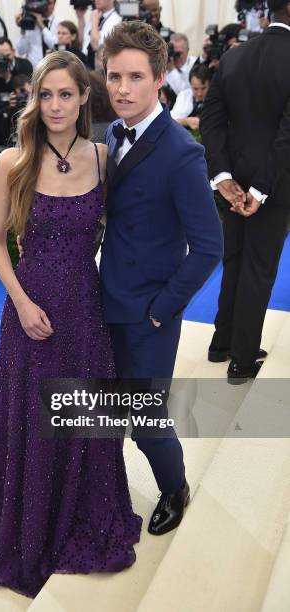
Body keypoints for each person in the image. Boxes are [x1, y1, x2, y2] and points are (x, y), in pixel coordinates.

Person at [0, 50, 141, 597]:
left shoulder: (103, 158)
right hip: (28, 308)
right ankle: (25, 528)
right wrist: (23, 302)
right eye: (45, 94)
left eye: (66, 94)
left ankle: (79, 514)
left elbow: (124, 228)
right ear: (35, 99)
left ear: (83, 99)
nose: (55, 105)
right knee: (28, 417)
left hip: (84, 307)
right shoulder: (14, 158)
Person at [101, 21, 223, 534]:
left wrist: (162, 308)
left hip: (149, 314)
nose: (122, 89)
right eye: (113, 77)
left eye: (134, 77)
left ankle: (175, 487)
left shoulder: (181, 152)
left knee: (147, 422)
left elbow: (210, 246)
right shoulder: (110, 133)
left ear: (159, 80)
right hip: (105, 299)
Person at [200, 0, 290, 383]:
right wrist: (262, 189)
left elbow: (210, 118)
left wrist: (222, 176)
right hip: (276, 180)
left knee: (235, 260)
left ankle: (222, 343)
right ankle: (242, 356)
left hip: (233, 178)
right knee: (258, 267)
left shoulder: (234, 56)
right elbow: (287, 136)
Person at [15, 0, 61, 68]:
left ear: (54, 4)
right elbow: (21, 51)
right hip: (33, 70)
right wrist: (23, 28)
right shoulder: (29, 21)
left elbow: (55, 46)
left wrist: (42, 26)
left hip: (53, 68)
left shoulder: (60, 22)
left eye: (48, 3)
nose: (45, 6)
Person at [0, 37, 32, 104]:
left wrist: (8, 77)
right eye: (1, 56)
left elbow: (24, 90)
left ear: (13, 51)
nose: (5, 59)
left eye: (7, 55)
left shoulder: (24, 64)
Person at [78, 0, 121, 69]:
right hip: (85, 63)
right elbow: (83, 44)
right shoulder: (96, 15)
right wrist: (80, 18)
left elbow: (96, 46)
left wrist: (94, 23)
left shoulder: (117, 19)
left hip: (98, 66)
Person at [171, 63, 213, 131]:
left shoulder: (216, 99)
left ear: (210, 85)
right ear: (190, 85)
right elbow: (170, 121)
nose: (199, 93)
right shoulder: (184, 96)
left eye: (203, 88)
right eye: (195, 89)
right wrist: (186, 122)